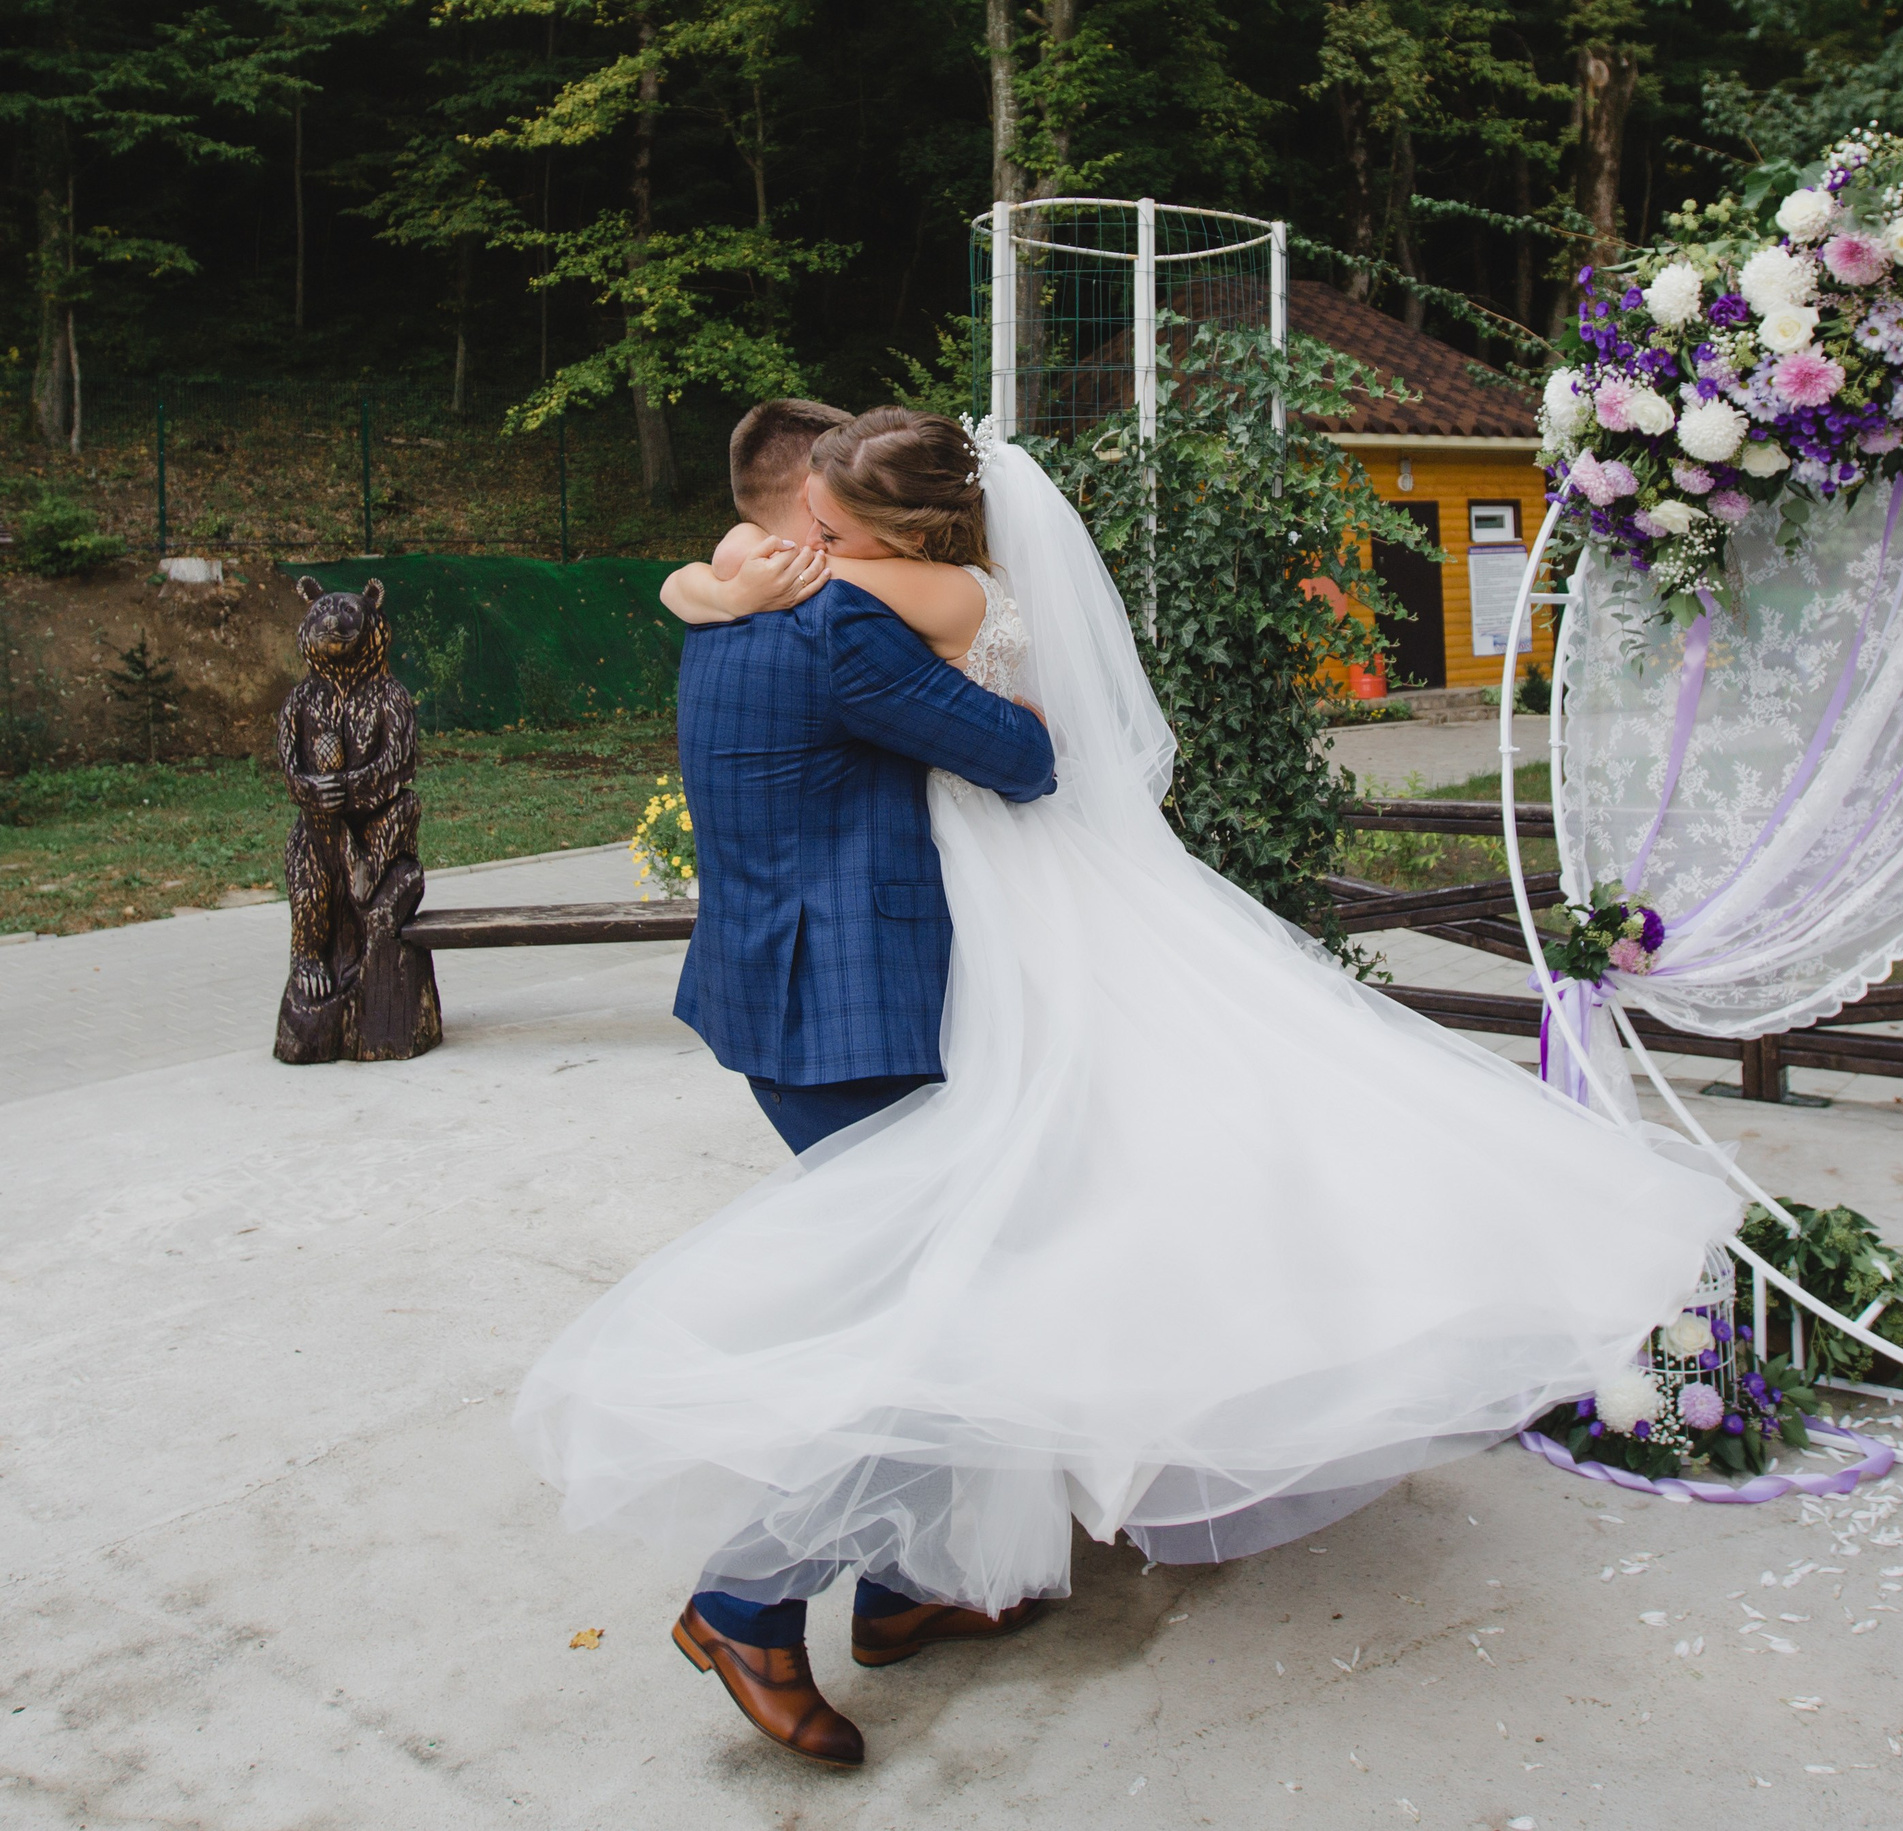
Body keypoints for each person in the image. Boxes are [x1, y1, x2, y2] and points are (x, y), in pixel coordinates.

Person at [517, 405, 1741, 1771]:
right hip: (850, 1012)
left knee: (956, 1282)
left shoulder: (725, 607)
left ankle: (913, 1586)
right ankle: (749, 1598)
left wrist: (718, 574)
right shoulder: (839, 623)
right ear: (810, 510)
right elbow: (1027, 760)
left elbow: (791, 641)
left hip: (770, 997)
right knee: (953, 1320)